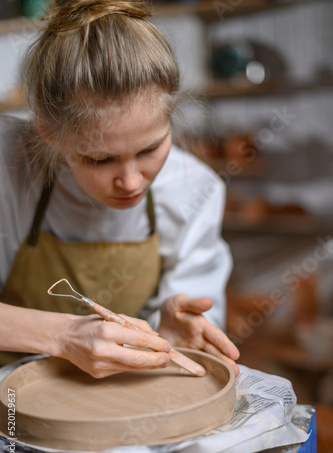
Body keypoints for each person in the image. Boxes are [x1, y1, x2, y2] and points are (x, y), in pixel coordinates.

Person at [0, 0, 240, 377]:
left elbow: (191, 336)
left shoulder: (195, 189)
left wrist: (171, 333)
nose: (130, 181)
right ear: (48, 133)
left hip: (124, 404)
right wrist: (60, 336)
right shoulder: (6, 164)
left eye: (150, 149)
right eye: (100, 159)